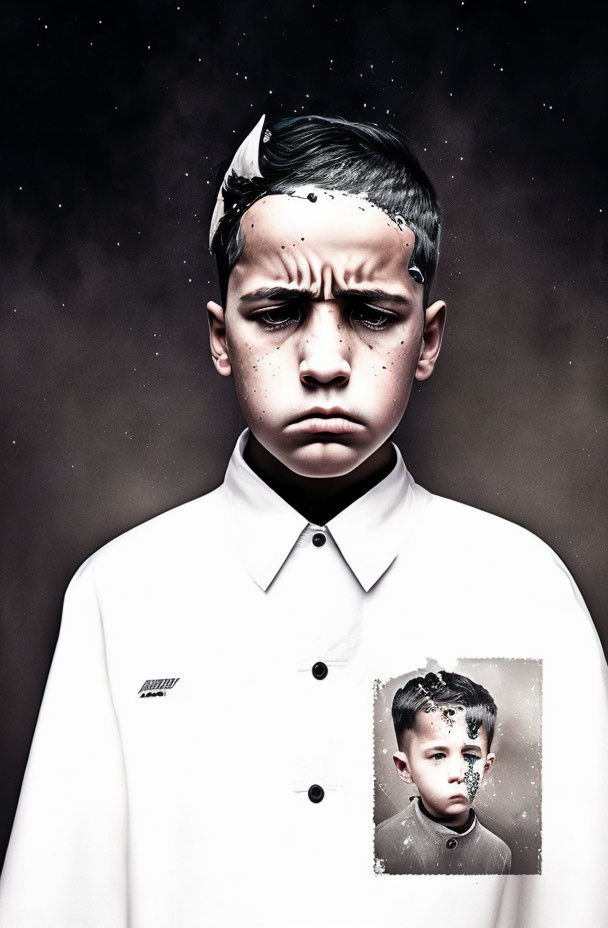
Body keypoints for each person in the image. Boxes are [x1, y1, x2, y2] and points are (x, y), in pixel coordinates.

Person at [0, 114, 606, 928]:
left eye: (372, 313)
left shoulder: (524, 594)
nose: (325, 363)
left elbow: (578, 906)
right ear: (222, 336)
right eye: (279, 311)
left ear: (428, 340)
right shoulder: (120, 597)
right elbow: (56, 909)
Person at [375, 670, 512, 875]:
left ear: (486, 765)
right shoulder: (379, 845)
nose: (456, 774)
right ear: (404, 768)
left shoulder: (498, 855)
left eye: (471, 756)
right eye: (438, 756)